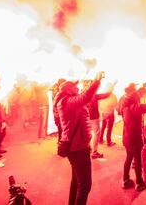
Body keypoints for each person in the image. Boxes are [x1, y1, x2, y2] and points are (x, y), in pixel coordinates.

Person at [55, 72, 103, 205]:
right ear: (69, 90)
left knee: (76, 182)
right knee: (85, 185)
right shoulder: (67, 101)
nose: (78, 88)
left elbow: (85, 97)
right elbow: (85, 97)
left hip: (77, 147)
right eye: (75, 87)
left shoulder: (68, 101)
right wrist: (96, 81)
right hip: (78, 149)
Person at [118, 82, 146, 191]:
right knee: (137, 160)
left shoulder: (125, 105)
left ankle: (125, 180)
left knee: (128, 158)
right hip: (134, 138)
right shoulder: (134, 107)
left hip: (126, 136)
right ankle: (139, 182)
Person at [87, 80, 116, 159]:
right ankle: (94, 152)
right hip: (94, 118)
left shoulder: (84, 95)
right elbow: (106, 95)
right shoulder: (94, 96)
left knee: (88, 134)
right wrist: (111, 88)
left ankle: (88, 148)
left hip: (87, 118)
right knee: (96, 134)